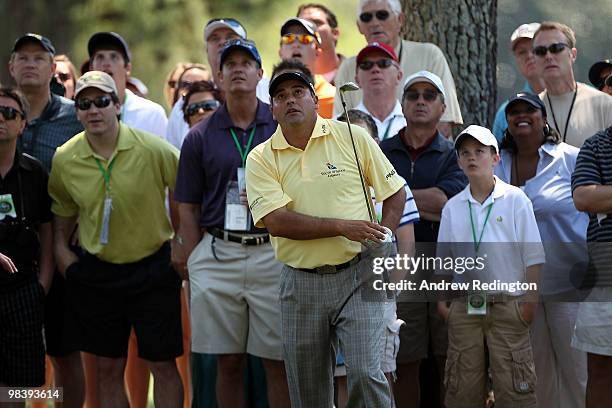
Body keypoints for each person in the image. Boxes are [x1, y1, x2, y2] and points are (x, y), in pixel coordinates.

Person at [246, 62, 407, 406]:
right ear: (272, 109)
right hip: (300, 282)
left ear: (315, 100)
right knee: (309, 392)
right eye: (281, 96)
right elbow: (277, 221)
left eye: (299, 92)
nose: (291, 100)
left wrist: (385, 235)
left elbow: (395, 193)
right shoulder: (260, 158)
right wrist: (341, 227)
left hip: (360, 272)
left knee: (366, 373)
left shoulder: (351, 136)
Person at [49, 71, 183, 408]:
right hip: (99, 274)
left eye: (102, 101)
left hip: (153, 268)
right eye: (85, 103)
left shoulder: (154, 149)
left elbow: (185, 197)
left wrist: (180, 247)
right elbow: (60, 226)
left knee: (162, 365)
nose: (94, 110)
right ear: (76, 110)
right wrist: (70, 267)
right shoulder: (65, 158)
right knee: (108, 369)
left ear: (117, 105)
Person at [173, 39, 289, 408]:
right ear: (219, 76)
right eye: (230, 64)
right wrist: (195, 262)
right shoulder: (200, 136)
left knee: (277, 361)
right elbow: (187, 207)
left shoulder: (282, 124)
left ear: (260, 73)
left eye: (246, 62)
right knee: (228, 361)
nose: (238, 69)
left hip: (272, 251)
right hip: (218, 252)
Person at [436, 125, 545, 408]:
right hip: (465, 306)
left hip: (509, 304)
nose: (472, 158)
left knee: (515, 386)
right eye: (465, 153)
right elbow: (443, 262)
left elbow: (533, 256)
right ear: (458, 161)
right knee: (462, 387)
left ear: (496, 158)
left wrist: (529, 304)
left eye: (480, 152)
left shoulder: (515, 200)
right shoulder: (453, 207)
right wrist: (443, 304)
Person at [495, 92, 588, 408]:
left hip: (570, 285)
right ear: (507, 121)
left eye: (529, 110)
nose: (521, 116)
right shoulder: (497, 164)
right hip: (519, 290)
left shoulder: (571, 158)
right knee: (535, 375)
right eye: (514, 111)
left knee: (579, 375)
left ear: (544, 118)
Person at [380, 70, 467, 407]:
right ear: (402, 104)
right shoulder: (382, 151)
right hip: (400, 261)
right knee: (405, 357)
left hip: (446, 261)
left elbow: (446, 204)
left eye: (429, 95)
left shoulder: (455, 153)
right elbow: (373, 199)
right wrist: (421, 201)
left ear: (443, 106)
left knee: (449, 355)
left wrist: (395, 198)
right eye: (412, 95)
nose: (420, 101)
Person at [8, 33, 85, 407]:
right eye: (22, 57)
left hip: (61, 247)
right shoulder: (2, 111)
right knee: (11, 363)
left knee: (64, 351)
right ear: (10, 67)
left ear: (53, 68)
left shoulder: (75, 117)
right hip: (10, 255)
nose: (30, 63)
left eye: (39, 57)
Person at [332, 0, 462, 136]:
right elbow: (340, 128)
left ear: (400, 19)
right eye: (366, 17)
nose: (374, 23)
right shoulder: (348, 68)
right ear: (359, 26)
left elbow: (444, 123)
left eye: (382, 15)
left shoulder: (429, 55)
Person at [0, 87, 52, 396]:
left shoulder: (34, 172)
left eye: (9, 113)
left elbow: (48, 229)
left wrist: (42, 285)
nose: (1, 119)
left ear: (23, 124)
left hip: (23, 291)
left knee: (17, 388)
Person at [165, 18, 270, 150]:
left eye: (230, 37)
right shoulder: (184, 105)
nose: (222, 42)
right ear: (206, 50)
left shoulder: (270, 91)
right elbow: (174, 156)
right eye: (214, 39)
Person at [571, 124, 612, 408]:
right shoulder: (596, 145)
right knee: (600, 369)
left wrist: (605, 198)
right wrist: (597, 199)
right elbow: (584, 198)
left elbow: (597, 197)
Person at [532, 21, 612, 148]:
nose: (548, 56)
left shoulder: (604, 105)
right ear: (534, 60)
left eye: (556, 48)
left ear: (573, 55)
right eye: (540, 51)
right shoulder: (530, 111)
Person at [88, 31, 168, 138]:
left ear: (128, 68)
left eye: (114, 57)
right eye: (100, 57)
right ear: (91, 68)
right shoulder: (82, 114)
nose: (106, 63)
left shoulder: (152, 114)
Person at [492, 23, 544, 141]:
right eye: (522, 52)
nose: (529, 55)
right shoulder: (506, 112)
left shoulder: (577, 99)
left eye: (535, 49)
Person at [278, 17, 335, 118]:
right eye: (288, 39)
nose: (296, 45)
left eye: (305, 39)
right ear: (280, 51)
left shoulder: (334, 98)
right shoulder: (267, 95)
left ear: (317, 51)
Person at [353, 42, 406, 141]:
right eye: (366, 65)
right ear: (357, 80)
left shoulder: (413, 123)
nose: (375, 69)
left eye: (384, 63)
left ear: (399, 76)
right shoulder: (341, 124)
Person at [297, 3, 344, 85]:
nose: (309, 28)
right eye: (302, 25)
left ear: (335, 33)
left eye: (316, 23)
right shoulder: (287, 81)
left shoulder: (359, 73)